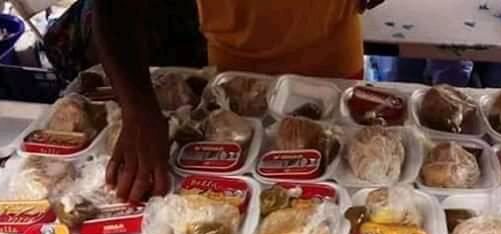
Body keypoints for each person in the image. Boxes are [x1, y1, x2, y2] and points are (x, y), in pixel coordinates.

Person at [92, 0, 385, 202]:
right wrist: (138, 110)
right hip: (236, 80)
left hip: (332, 63)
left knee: (339, 187)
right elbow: (114, 10)